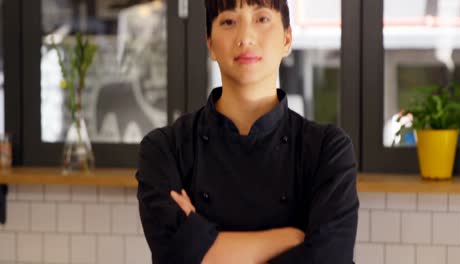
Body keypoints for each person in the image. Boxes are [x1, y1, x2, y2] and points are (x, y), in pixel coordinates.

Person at [136, 0, 359, 263]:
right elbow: (172, 256)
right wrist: (289, 239)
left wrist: (204, 248)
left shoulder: (327, 150)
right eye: (229, 21)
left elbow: (329, 257)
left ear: (287, 39)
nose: (245, 37)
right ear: (210, 44)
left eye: (262, 19)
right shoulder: (166, 149)